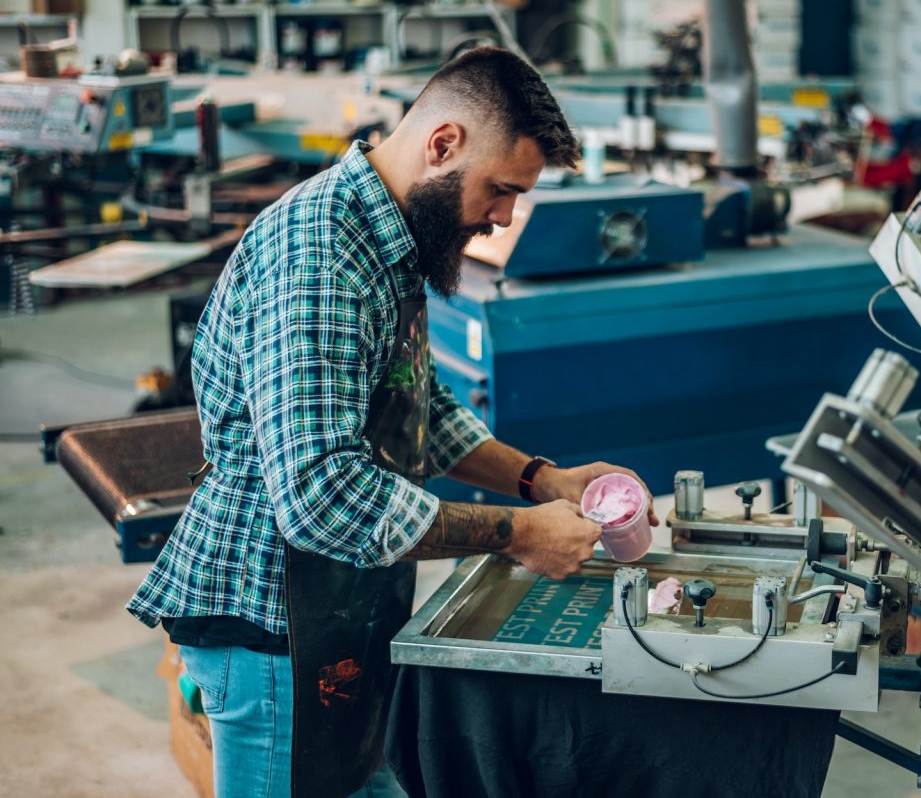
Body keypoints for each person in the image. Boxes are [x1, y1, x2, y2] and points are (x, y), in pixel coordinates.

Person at [127, 47, 654, 797]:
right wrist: (519, 535)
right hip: (273, 623)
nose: (504, 218)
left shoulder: (393, 238)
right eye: (501, 191)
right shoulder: (320, 255)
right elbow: (320, 496)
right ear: (443, 145)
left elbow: (421, 407)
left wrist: (542, 481)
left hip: (339, 606)